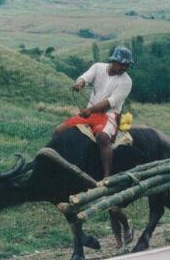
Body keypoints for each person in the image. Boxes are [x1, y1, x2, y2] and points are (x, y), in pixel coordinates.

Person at [52, 46, 134, 247]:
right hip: (90, 111)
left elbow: (110, 102)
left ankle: (106, 176)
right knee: (58, 131)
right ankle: (61, 165)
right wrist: (79, 83)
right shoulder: (98, 67)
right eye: (121, 63)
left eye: (126, 65)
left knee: (104, 137)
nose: (124, 67)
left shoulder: (126, 82)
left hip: (107, 114)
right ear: (113, 61)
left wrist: (90, 110)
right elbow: (85, 77)